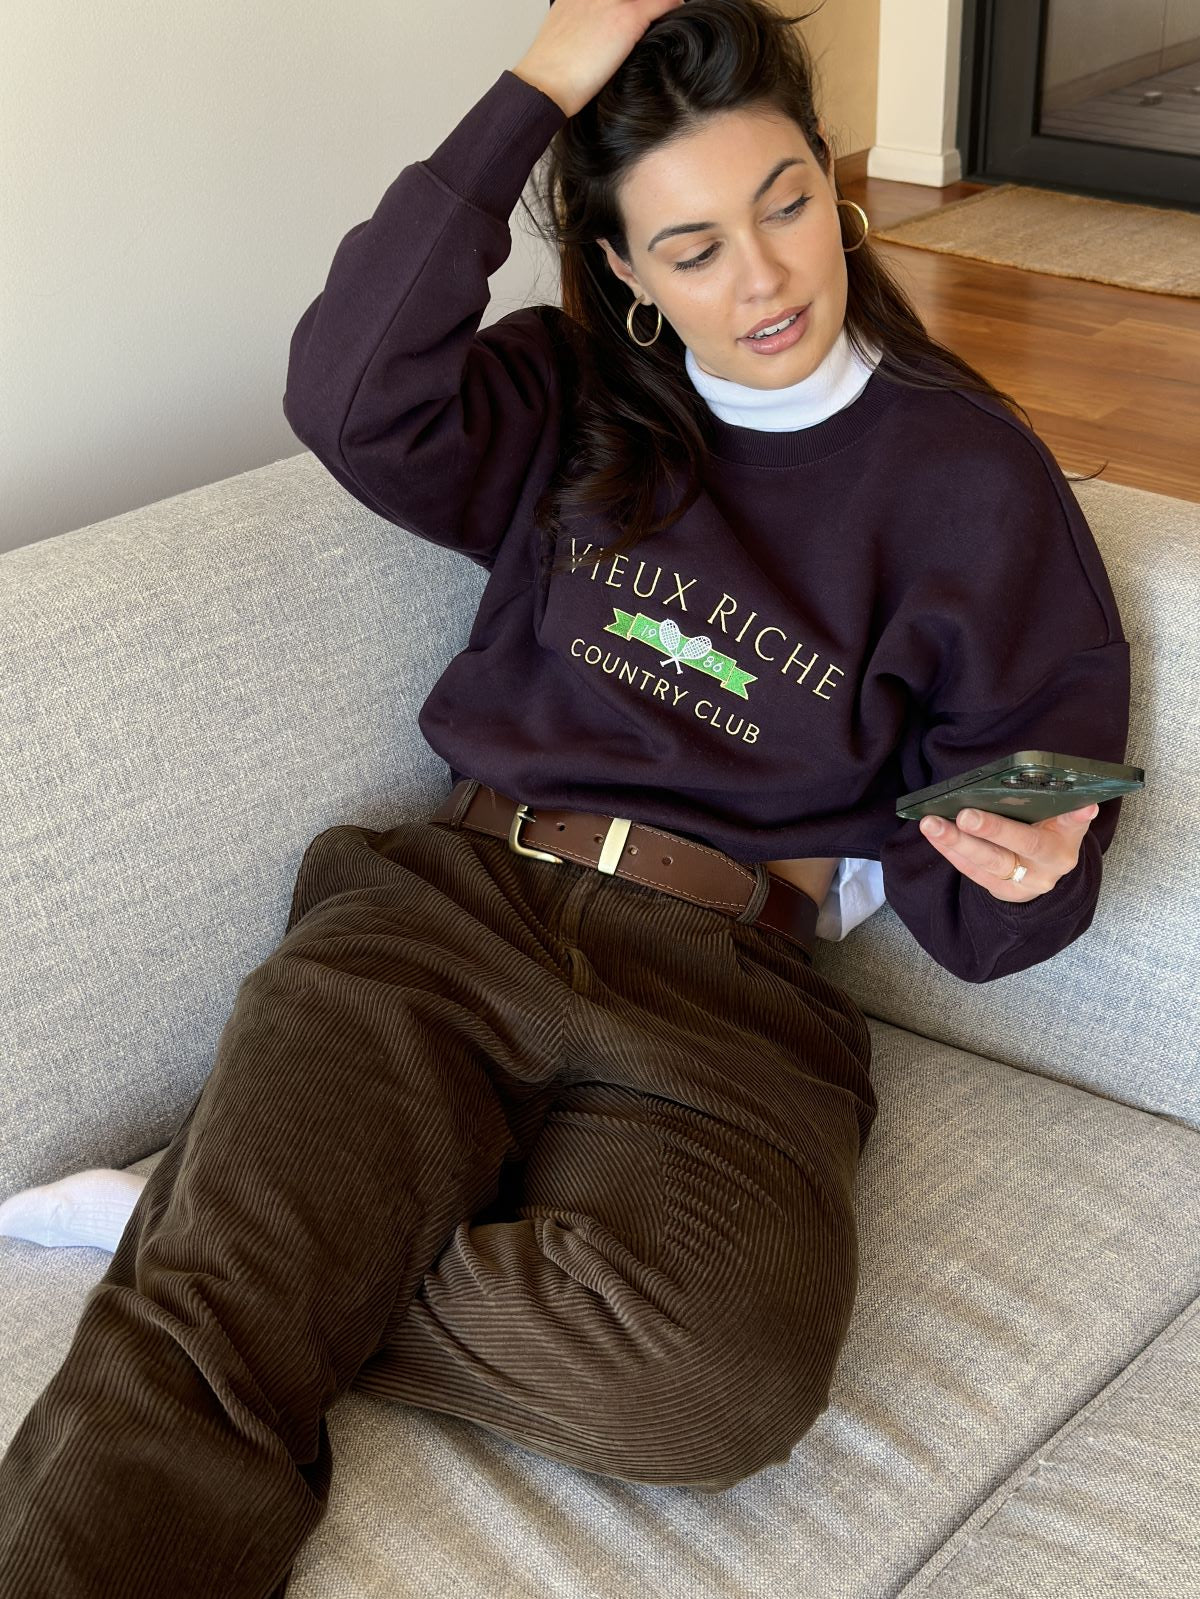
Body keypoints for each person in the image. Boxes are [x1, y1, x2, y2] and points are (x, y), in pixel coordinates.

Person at [0, 1, 1130, 1594]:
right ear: (621, 272)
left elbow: (1037, 793)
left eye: (788, 200)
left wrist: (1025, 875)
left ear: (832, 174)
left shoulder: (976, 481)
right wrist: (533, 89)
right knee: (199, 1349)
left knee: (716, 1389)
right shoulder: (563, 399)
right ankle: (240, 1249)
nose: (763, 279)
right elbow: (348, 394)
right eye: (690, 245)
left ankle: (235, 1221)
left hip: (732, 996)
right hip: (446, 914)